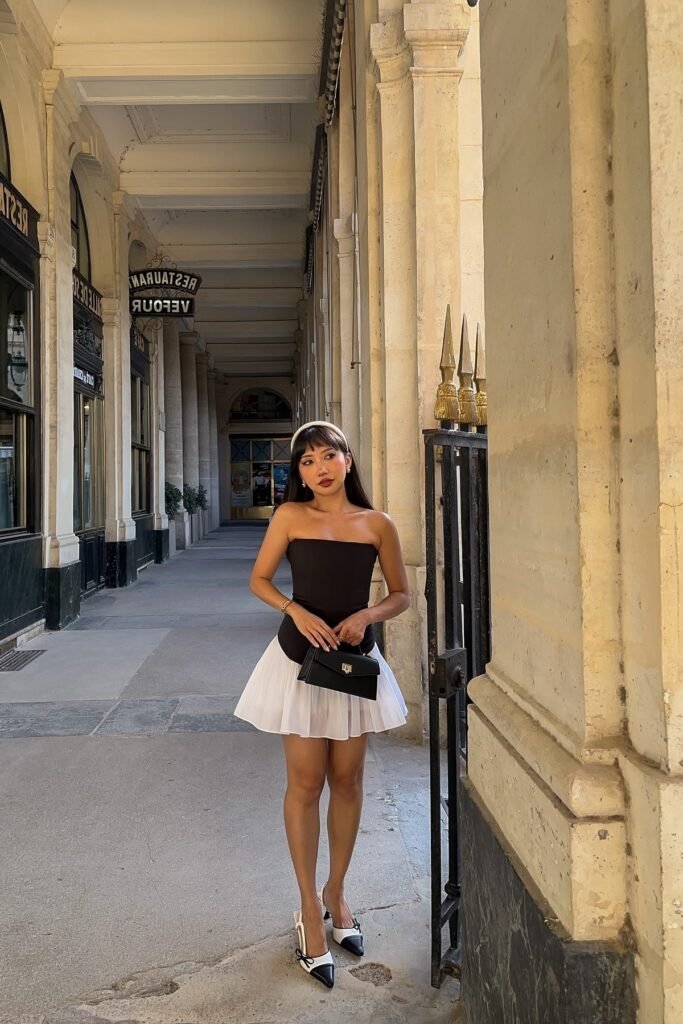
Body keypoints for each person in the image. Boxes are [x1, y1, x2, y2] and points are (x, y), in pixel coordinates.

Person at [234, 421, 410, 989]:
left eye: (328, 455)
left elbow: (403, 593)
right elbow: (259, 580)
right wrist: (293, 608)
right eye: (306, 461)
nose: (319, 468)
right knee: (306, 784)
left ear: (348, 459)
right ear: (299, 473)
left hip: (354, 666)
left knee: (350, 780)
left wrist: (367, 615)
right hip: (300, 662)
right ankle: (309, 907)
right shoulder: (289, 518)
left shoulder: (377, 523)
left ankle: (338, 891)